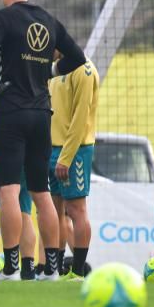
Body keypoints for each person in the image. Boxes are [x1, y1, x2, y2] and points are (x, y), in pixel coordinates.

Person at [0, 0, 86, 280]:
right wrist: (48, 72)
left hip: (10, 112)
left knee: (8, 192)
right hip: (41, 114)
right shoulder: (49, 21)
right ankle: (50, 269)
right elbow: (77, 58)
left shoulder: (2, 18)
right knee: (41, 192)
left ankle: (9, 268)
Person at [48, 53, 99, 280]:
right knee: (55, 212)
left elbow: (80, 118)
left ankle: (78, 271)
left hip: (75, 151)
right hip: (51, 149)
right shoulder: (54, 70)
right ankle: (56, 270)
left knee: (77, 210)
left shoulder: (84, 70)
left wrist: (66, 157)